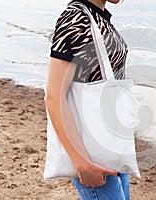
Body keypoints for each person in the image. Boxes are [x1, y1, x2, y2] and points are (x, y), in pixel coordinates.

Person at [44, 0, 130, 199]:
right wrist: (80, 161)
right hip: (91, 152)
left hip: (111, 145)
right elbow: (54, 96)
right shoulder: (76, 19)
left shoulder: (97, 16)